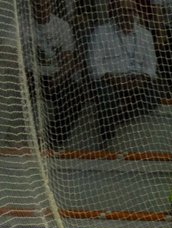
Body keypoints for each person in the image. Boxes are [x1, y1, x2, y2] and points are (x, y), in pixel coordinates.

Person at [88, 0, 158, 146]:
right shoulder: (101, 31)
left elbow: (151, 66)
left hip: (137, 80)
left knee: (154, 98)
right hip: (110, 79)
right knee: (106, 99)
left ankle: (116, 119)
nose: (127, 15)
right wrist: (115, 80)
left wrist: (141, 79)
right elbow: (94, 64)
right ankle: (107, 137)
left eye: (130, 11)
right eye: (123, 11)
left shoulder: (145, 34)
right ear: (115, 12)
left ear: (136, 13)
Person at [31, 0, 82, 149]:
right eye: (38, 5)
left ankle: (53, 140)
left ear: (52, 5)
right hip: (28, 75)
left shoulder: (62, 26)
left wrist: (59, 77)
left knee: (76, 94)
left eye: (45, 5)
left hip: (54, 77)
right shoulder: (21, 24)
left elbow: (69, 58)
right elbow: (10, 54)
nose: (42, 8)